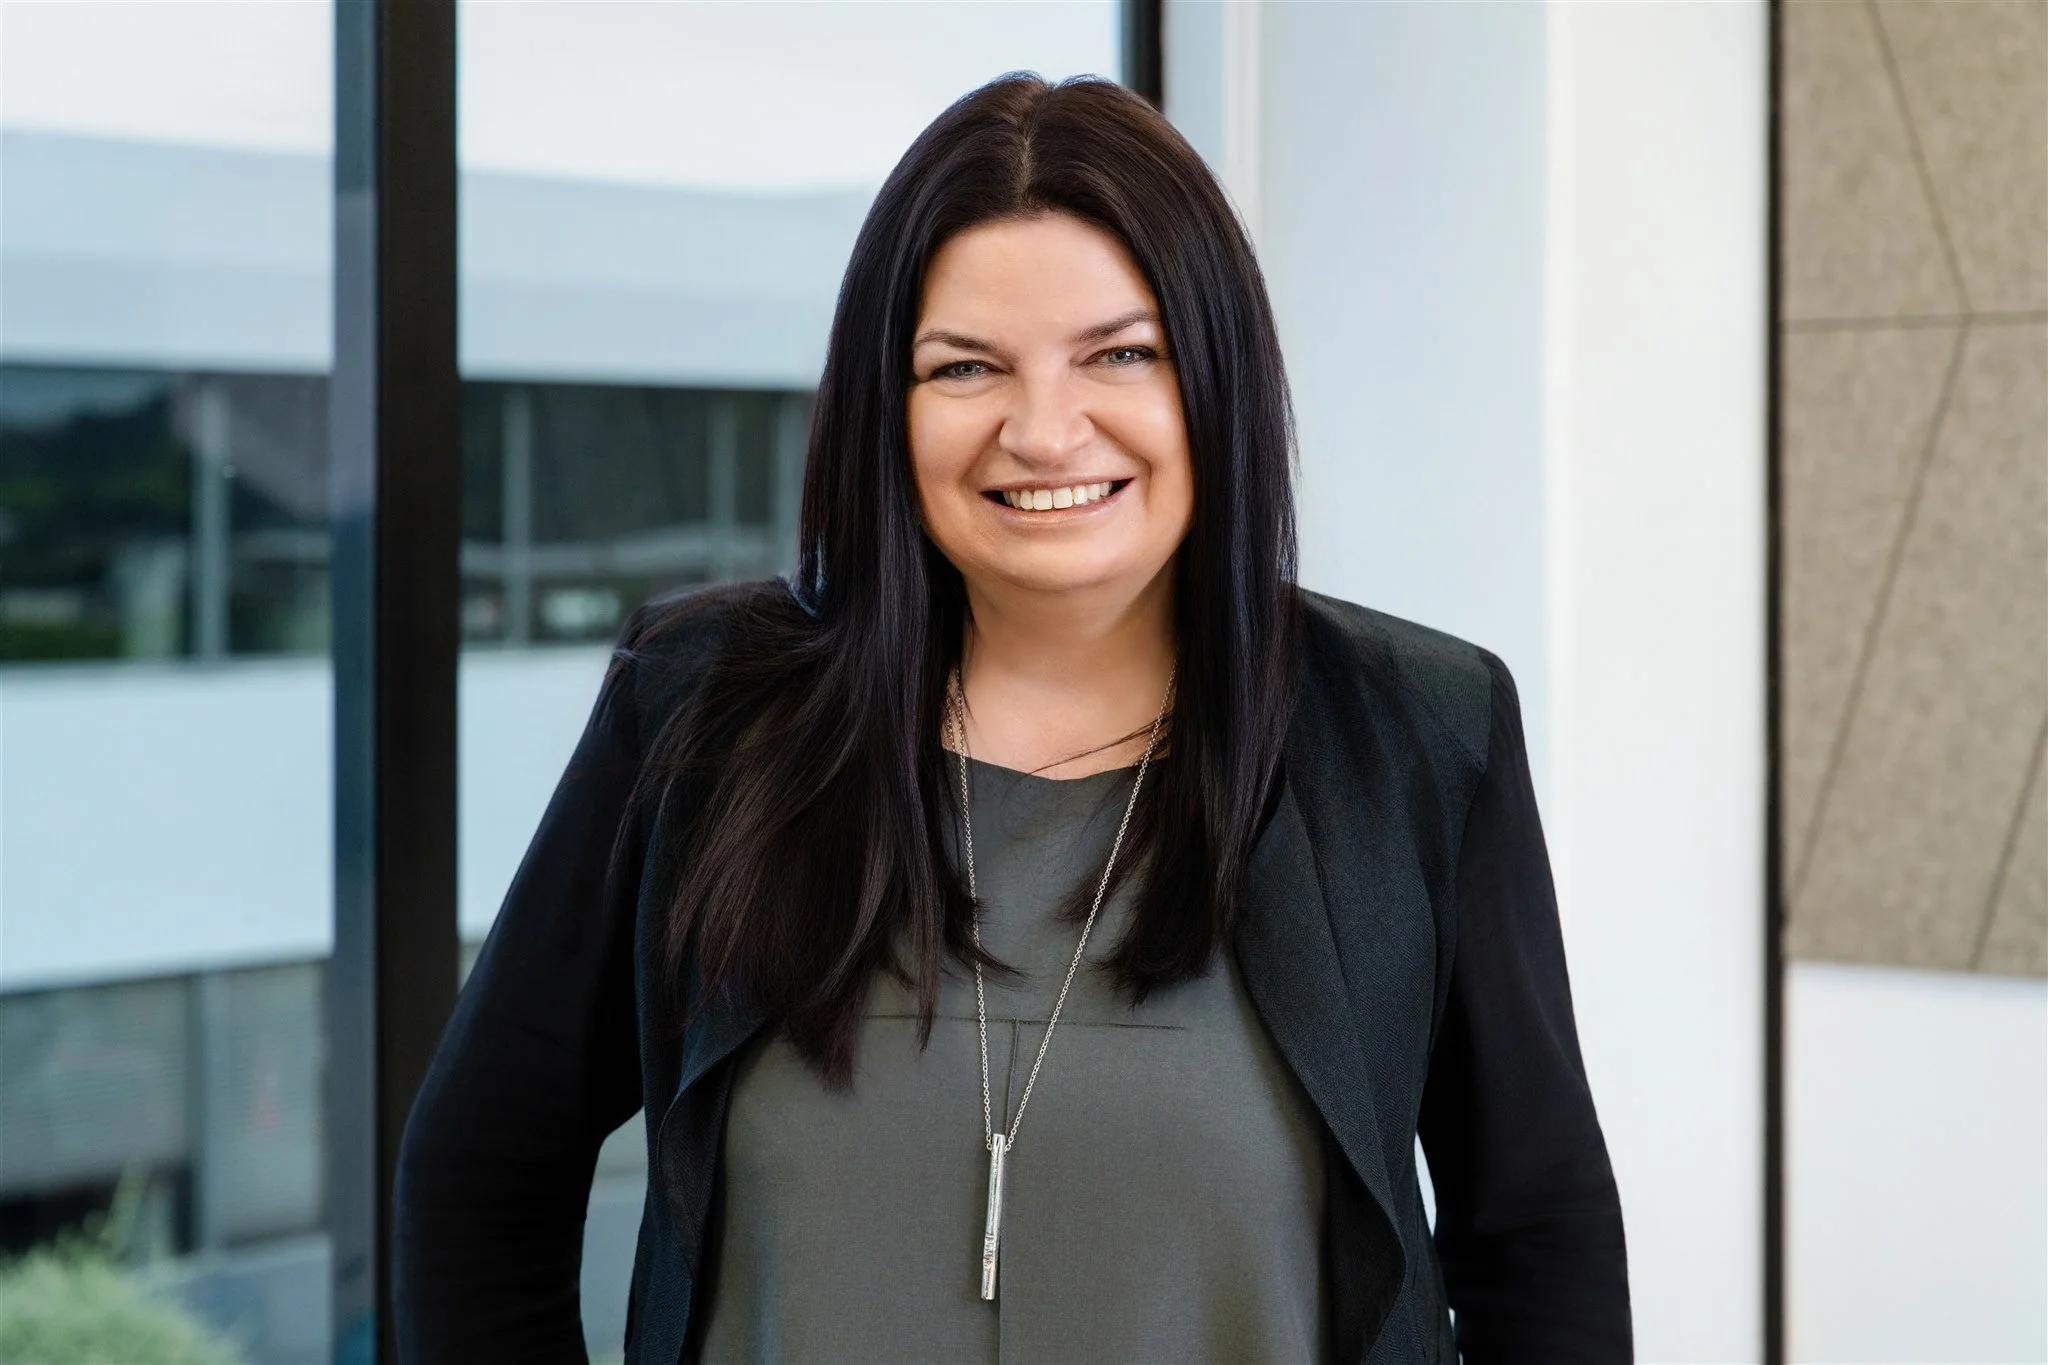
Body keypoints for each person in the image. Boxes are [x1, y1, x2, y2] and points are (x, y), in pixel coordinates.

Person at [393, 71, 1630, 1365]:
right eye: (966, 366)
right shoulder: (700, 714)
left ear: (1215, 377)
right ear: (890, 404)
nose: (1044, 431)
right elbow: (479, 1174)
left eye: (1120, 354)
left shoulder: (1418, 740)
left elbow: (1538, 1243)